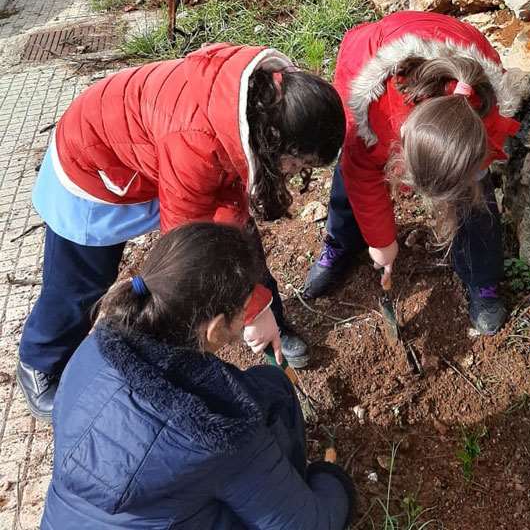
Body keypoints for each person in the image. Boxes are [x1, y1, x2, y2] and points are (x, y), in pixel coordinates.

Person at [16, 42, 346, 421]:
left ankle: (273, 325)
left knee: (242, 242)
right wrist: (249, 307)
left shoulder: (252, 105)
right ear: (275, 142)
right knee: (81, 284)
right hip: (94, 163)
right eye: (296, 163)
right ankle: (40, 362)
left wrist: (258, 308)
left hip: (161, 155)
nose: (292, 173)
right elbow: (191, 249)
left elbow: (226, 220)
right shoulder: (197, 143)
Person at [41, 222, 355, 529]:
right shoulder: (220, 430)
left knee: (271, 386)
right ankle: (289, 481)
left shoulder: (93, 349)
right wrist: (330, 478)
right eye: (246, 310)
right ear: (216, 327)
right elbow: (312, 523)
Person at [303, 12, 521, 335]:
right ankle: (341, 243)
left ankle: (482, 277)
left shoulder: (485, 112)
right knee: (353, 172)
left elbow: (470, 170)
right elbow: (361, 173)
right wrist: (381, 242)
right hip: (374, 60)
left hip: (458, 63)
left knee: (474, 195)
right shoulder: (369, 105)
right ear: (402, 135)